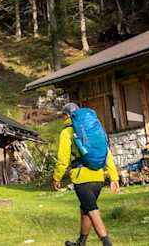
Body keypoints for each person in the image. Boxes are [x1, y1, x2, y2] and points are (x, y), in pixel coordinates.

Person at [53, 102, 119, 246]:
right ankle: (81, 242)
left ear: (67, 116)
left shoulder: (67, 132)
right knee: (85, 208)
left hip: (82, 178)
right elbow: (107, 154)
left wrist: (57, 177)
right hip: (98, 177)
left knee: (91, 209)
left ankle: (107, 243)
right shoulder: (93, 129)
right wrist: (114, 177)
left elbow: (63, 159)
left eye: (63, 116)